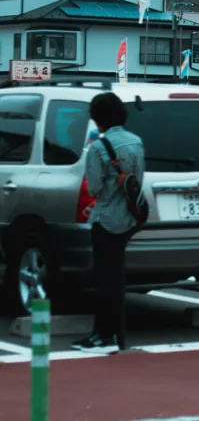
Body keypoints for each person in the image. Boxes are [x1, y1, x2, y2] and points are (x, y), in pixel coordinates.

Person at [71, 93, 145, 354]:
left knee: (104, 279)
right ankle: (112, 333)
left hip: (105, 219)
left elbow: (93, 188)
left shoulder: (98, 148)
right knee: (116, 277)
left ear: (97, 118)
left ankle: (103, 335)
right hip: (128, 217)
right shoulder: (136, 142)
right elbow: (138, 180)